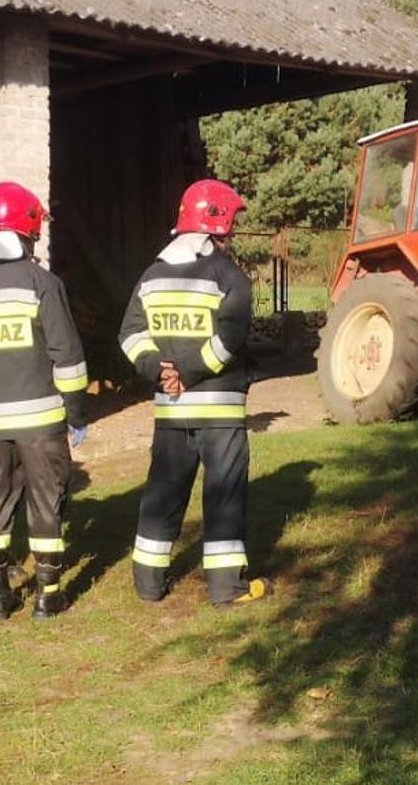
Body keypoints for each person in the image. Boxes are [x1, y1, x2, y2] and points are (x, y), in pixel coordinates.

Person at [118, 179, 271, 607]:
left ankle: (148, 584)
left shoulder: (150, 276)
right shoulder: (229, 277)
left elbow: (130, 335)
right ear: (218, 224)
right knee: (223, 494)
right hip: (219, 409)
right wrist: (189, 370)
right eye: (232, 222)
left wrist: (159, 370)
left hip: (170, 410)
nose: (234, 232)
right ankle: (227, 589)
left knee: (163, 493)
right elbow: (231, 337)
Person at [0, 181, 90, 620]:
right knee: (46, 502)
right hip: (42, 420)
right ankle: (48, 596)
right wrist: (76, 412)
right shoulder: (41, 282)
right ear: (26, 231)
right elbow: (66, 354)